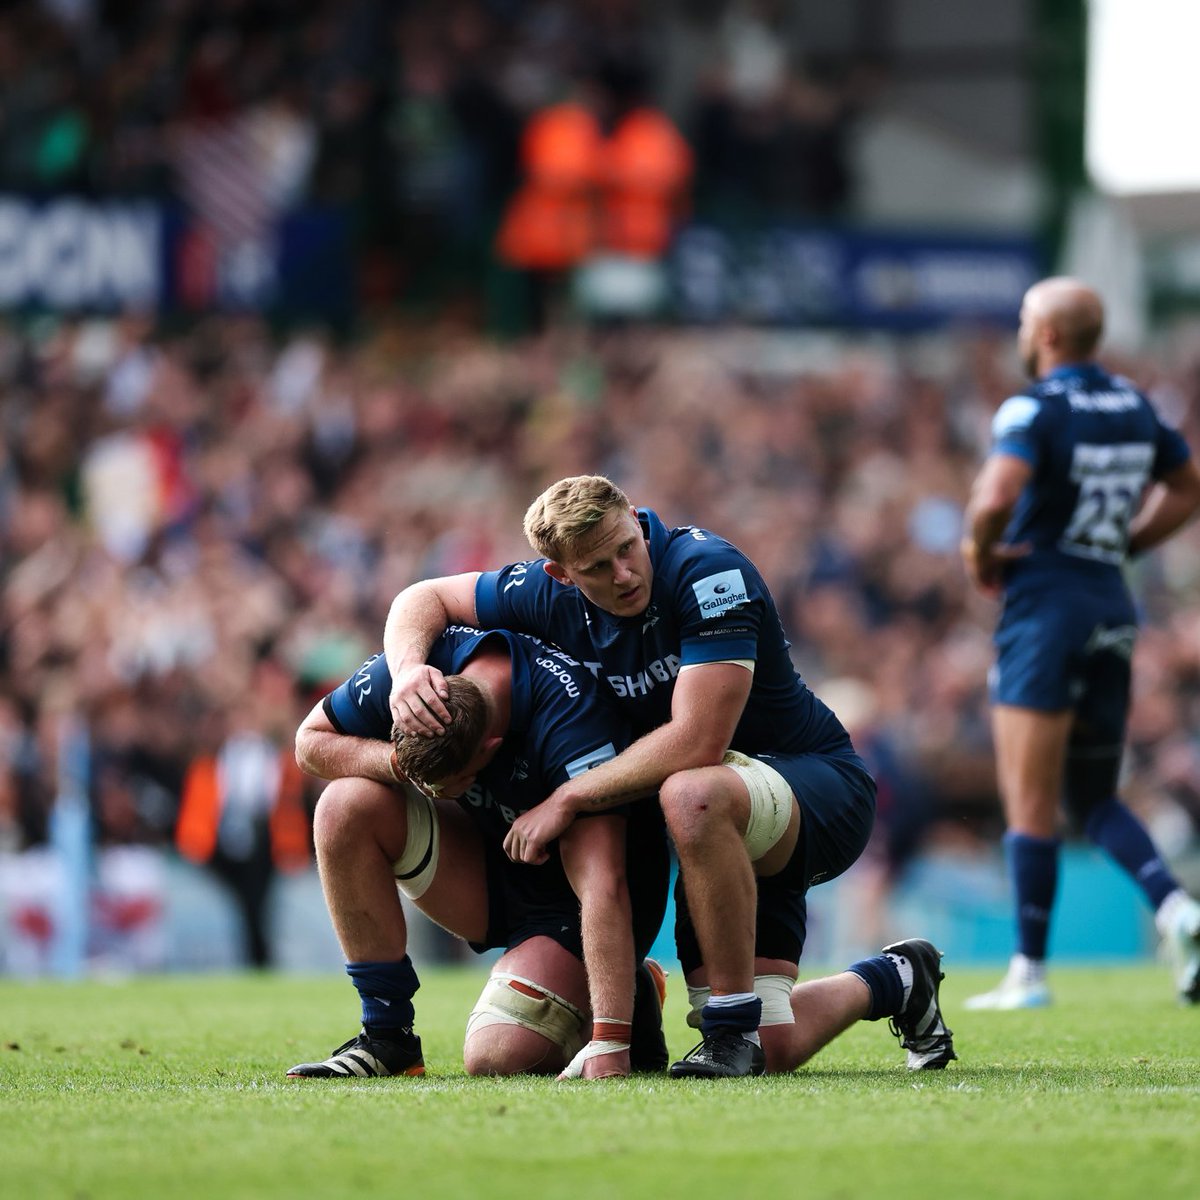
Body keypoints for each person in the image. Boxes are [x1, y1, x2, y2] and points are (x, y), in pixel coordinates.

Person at [385, 475, 956, 1077]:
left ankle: (728, 1033)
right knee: (778, 1046)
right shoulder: (543, 593)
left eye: (626, 548)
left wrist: (569, 795)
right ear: (561, 574)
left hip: (813, 785)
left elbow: (698, 740)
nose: (623, 574)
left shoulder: (708, 570)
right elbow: (422, 598)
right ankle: (898, 979)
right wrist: (406, 672)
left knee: (689, 790)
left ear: (636, 518)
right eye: (597, 567)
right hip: (713, 828)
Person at [961, 276, 1200, 1009]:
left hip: (1044, 610)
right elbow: (1190, 485)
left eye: (1028, 321)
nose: (1024, 334)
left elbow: (998, 495)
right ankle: (1177, 908)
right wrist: (1126, 543)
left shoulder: (1033, 405)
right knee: (1092, 793)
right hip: (1110, 606)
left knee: (1028, 796)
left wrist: (979, 554)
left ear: (1050, 335)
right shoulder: (1134, 405)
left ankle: (1028, 973)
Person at [289, 624, 670, 1080]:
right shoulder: (414, 677)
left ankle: (626, 985)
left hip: (579, 894)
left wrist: (612, 1039)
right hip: (490, 858)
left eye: (450, 784)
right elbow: (308, 743)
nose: (434, 793)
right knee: (342, 805)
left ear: (492, 747)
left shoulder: (572, 717)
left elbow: (603, 882)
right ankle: (387, 1036)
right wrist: (396, 765)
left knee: (497, 1057)